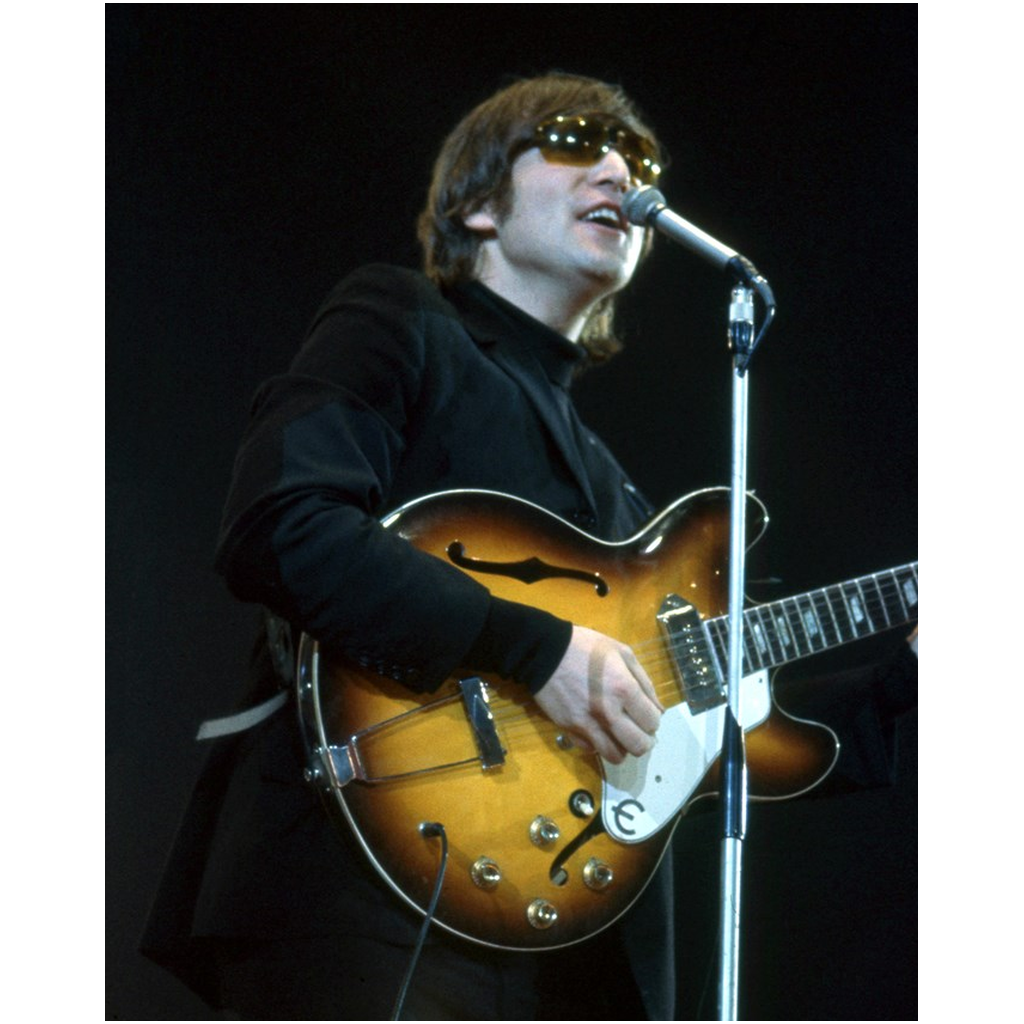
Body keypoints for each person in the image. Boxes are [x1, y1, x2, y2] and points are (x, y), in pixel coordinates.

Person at [141, 71, 916, 1020]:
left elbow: (710, 743)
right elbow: (281, 524)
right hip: (370, 884)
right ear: (475, 206)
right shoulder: (400, 321)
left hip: (576, 947)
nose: (618, 168)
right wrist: (534, 647)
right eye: (574, 138)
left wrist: (911, 667)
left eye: (637, 156)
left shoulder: (616, 491)